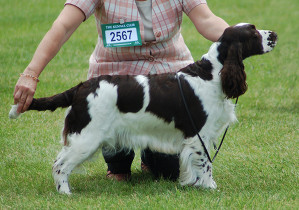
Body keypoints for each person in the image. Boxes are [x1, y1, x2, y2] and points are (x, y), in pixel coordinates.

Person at [13, 0, 229, 181]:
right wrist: (31, 73)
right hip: (116, 89)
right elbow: (63, 26)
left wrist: (239, 37)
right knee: (119, 172)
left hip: (169, 86)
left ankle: (150, 155)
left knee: (170, 172)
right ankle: (117, 162)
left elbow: (207, 20)